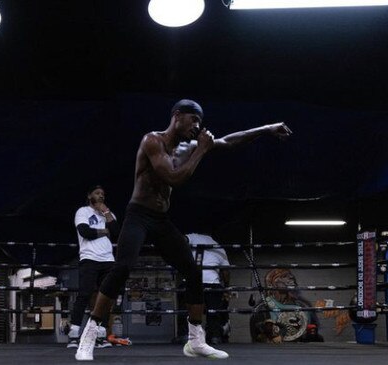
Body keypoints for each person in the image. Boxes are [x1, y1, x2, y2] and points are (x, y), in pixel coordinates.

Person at [75, 99, 293, 361]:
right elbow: (174, 178)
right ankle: (88, 335)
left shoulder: (189, 145)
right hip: (138, 215)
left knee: (192, 271)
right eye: (194, 120)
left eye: (200, 122)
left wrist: (267, 128)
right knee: (122, 268)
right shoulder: (152, 141)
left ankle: (195, 340)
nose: (198, 126)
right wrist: (201, 150)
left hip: (160, 218)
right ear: (177, 116)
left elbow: (229, 141)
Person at [68, 185, 120, 349]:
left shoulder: (108, 214)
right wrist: (104, 232)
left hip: (108, 260)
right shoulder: (82, 211)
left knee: (106, 298)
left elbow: (117, 232)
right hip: (89, 258)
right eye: (97, 193)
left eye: (103, 194)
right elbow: (85, 232)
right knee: (84, 294)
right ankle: (74, 335)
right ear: (89, 195)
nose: (101, 196)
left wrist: (105, 212)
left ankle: (100, 336)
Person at [174, 233, 230, 345]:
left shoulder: (195, 237)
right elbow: (225, 271)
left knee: (185, 308)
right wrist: (226, 287)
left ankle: (184, 335)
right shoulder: (219, 248)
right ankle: (215, 337)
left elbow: (182, 239)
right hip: (212, 282)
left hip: (192, 280)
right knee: (213, 311)